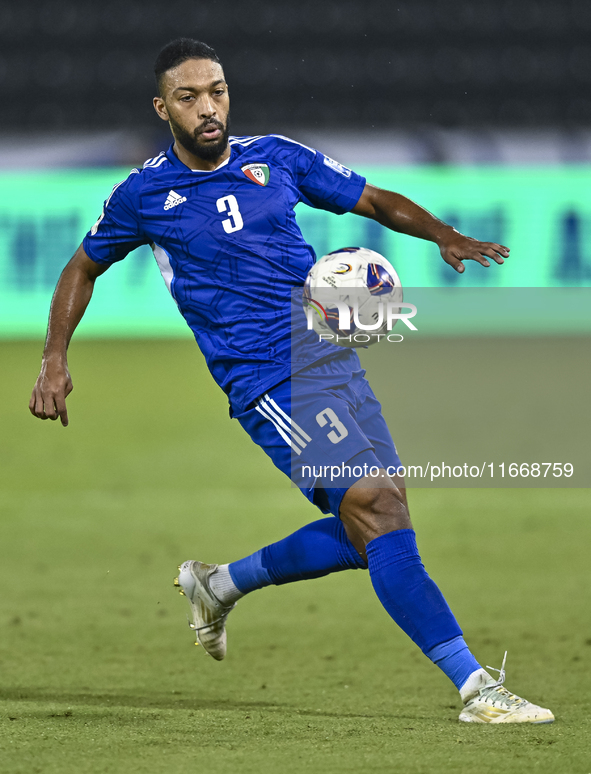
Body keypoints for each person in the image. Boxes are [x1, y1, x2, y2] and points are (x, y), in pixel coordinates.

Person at [29, 38, 553, 725]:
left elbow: (371, 199)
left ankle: (218, 585)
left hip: (331, 358)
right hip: (263, 380)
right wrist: (54, 358)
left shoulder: (275, 157)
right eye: (188, 97)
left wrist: (441, 234)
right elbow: (81, 267)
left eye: (215, 90)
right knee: (373, 506)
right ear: (163, 108)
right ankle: (476, 689)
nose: (207, 107)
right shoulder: (143, 194)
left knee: (377, 522)